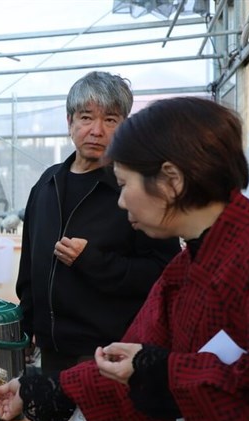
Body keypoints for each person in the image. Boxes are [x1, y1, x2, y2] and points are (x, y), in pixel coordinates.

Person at [0, 97, 249, 421]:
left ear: (171, 179)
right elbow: (132, 357)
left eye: (124, 185)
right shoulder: (185, 267)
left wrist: (165, 372)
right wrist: (52, 387)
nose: (121, 200)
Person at [16, 71, 181, 376]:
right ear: (70, 122)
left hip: (112, 354)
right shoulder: (47, 184)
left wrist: (93, 261)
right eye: (86, 117)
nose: (96, 130)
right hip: (52, 352)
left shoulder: (137, 189)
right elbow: (30, 266)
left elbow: (164, 273)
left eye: (110, 120)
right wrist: (25, 327)